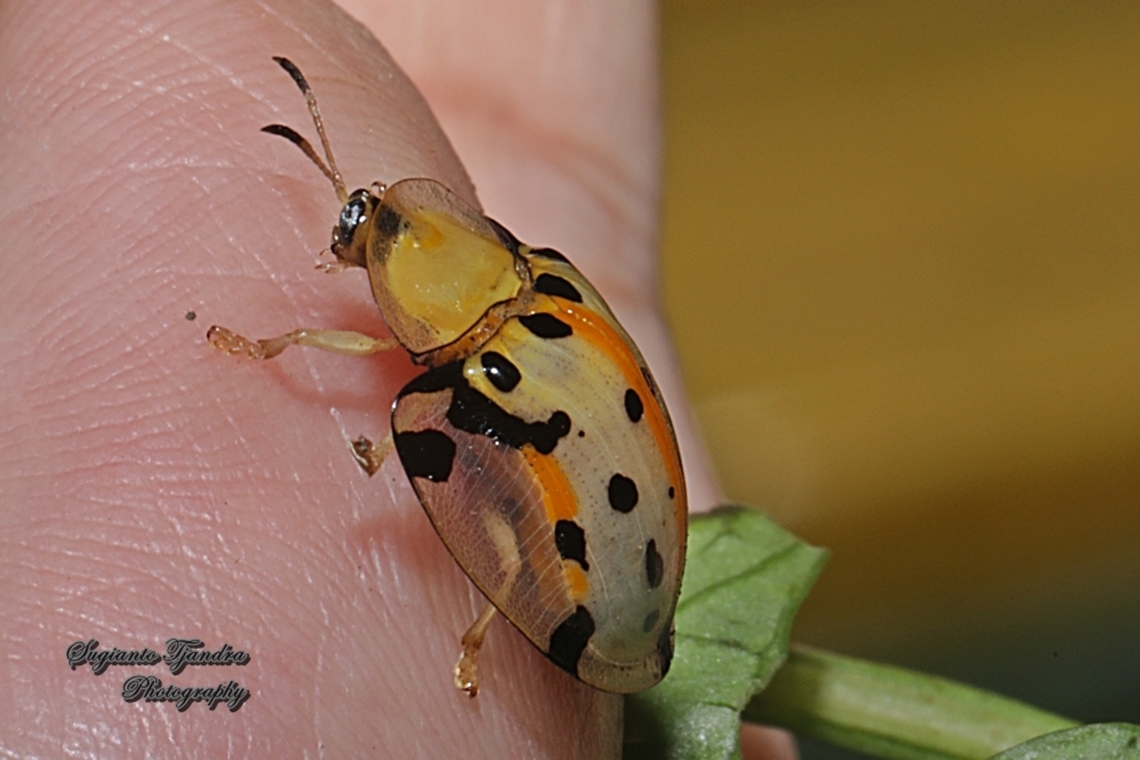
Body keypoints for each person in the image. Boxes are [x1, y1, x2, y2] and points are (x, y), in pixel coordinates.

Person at [0, 1, 795, 757]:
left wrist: (277, 350)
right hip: (617, 497)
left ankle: (475, 640)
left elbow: (470, 472)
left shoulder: (481, 363)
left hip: (611, 588)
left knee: (508, 549)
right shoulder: (534, 276)